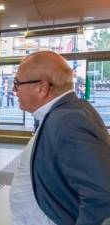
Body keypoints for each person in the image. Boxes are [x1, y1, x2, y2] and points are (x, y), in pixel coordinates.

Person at [9, 51, 110, 225]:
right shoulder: (62, 113)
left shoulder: (67, 120)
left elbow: (102, 195)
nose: (14, 90)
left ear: (41, 88)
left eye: (17, 83)